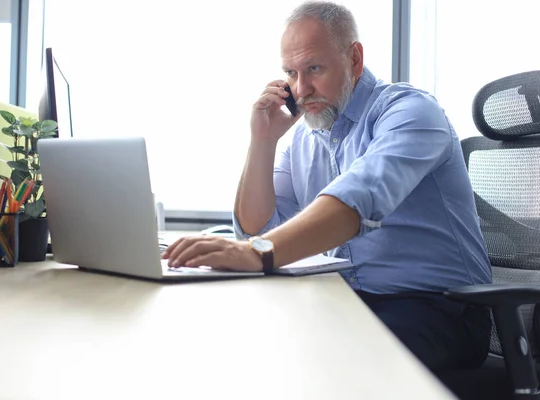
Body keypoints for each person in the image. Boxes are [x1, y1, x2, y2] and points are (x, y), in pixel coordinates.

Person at [162, 1, 492, 371]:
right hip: (347, 300)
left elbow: (356, 200)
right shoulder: (306, 139)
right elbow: (258, 229)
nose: (301, 89)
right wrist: (262, 141)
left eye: (314, 68)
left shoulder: (411, 113)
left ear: (354, 58)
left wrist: (258, 253)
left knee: (323, 367)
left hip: (436, 308)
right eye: (290, 73)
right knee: (235, 344)